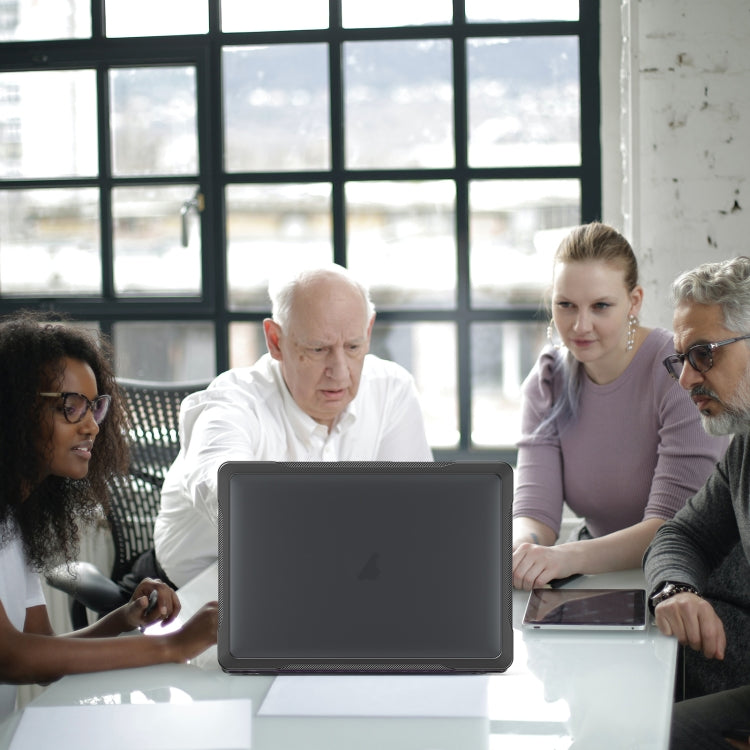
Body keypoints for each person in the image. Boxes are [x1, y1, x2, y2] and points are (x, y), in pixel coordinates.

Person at [154, 263, 433, 588]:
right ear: (275, 340)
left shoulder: (391, 389)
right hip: (189, 596)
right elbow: (219, 484)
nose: (340, 373)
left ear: (369, 331)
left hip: (324, 585)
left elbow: (410, 511)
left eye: (353, 347)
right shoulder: (231, 402)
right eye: (318, 349)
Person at [0, 310, 218, 722]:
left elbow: (42, 653)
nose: (92, 427)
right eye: (71, 407)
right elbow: (11, 656)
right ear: (15, 409)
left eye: (94, 408)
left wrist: (123, 619)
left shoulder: (15, 516)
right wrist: (172, 646)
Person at [512, 222, 728, 590]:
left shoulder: (677, 372)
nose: (581, 325)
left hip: (687, 580)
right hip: (595, 576)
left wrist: (564, 558)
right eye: (566, 305)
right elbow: (535, 513)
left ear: (635, 302)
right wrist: (519, 550)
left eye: (600, 306)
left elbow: (671, 528)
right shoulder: (548, 379)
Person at [644, 256, 750, 749]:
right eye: (681, 358)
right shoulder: (745, 445)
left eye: (703, 354)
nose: (686, 379)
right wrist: (674, 591)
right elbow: (681, 534)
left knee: (632, 735)